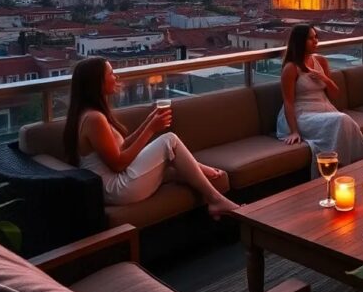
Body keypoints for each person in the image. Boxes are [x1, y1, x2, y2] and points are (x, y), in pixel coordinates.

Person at [64, 57, 238, 217]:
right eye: (110, 73)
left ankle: (203, 173)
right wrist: (151, 130)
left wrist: (148, 122)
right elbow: (118, 164)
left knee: (172, 162)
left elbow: (121, 147)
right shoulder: (94, 119)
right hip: (116, 190)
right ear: (97, 82)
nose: (116, 77)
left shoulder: (88, 114)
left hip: (114, 186)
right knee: (169, 140)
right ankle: (215, 200)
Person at [277, 24, 363, 173]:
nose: (315, 41)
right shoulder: (291, 68)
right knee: (343, 120)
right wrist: (294, 131)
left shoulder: (321, 61)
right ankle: (345, 170)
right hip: (302, 115)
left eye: (316, 37)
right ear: (300, 41)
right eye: (310, 38)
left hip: (322, 108)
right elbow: (288, 102)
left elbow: (335, 94)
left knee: (346, 123)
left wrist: (325, 79)